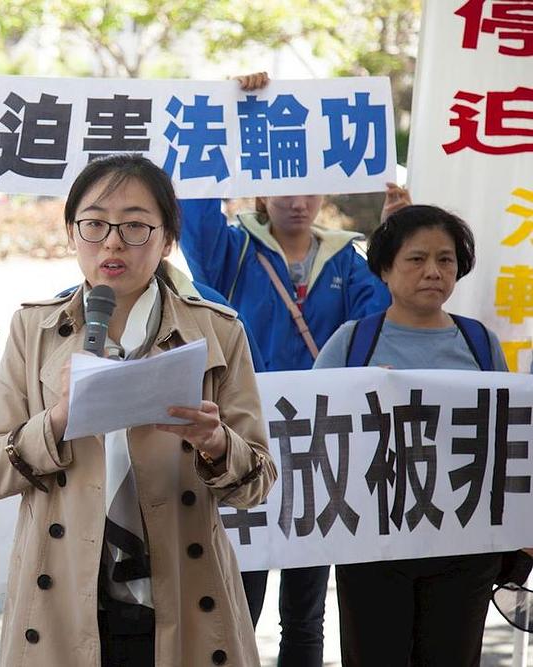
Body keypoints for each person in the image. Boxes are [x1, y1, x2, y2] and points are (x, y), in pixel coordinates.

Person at [0, 154, 276, 666]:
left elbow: (259, 482)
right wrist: (58, 420)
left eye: (136, 226)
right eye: (94, 224)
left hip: (180, 599)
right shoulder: (33, 330)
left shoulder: (218, 330)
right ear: (72, 234)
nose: (112, 242)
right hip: (62, 607)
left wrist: (218, 444)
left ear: (167, 239)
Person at [178, 72, 392, 663]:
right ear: (257, 192)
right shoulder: (233, 250)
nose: (298, 201)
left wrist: (397, 233)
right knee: (237, 596)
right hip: (246, 438)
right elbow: (192, 211)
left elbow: (378, 330)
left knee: (306, 609)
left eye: (309, 189)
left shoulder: (350, 261)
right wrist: (224, 110)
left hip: (322, 443)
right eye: (282, 188)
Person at [313, 201, 511, 666]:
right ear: (384, 268)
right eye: (416, 259)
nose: (433, 271)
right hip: (372, 548)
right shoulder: (352, 341)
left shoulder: (480, 343)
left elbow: (504, 438)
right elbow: (312, 429)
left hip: (463, 547)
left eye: (445, 259)